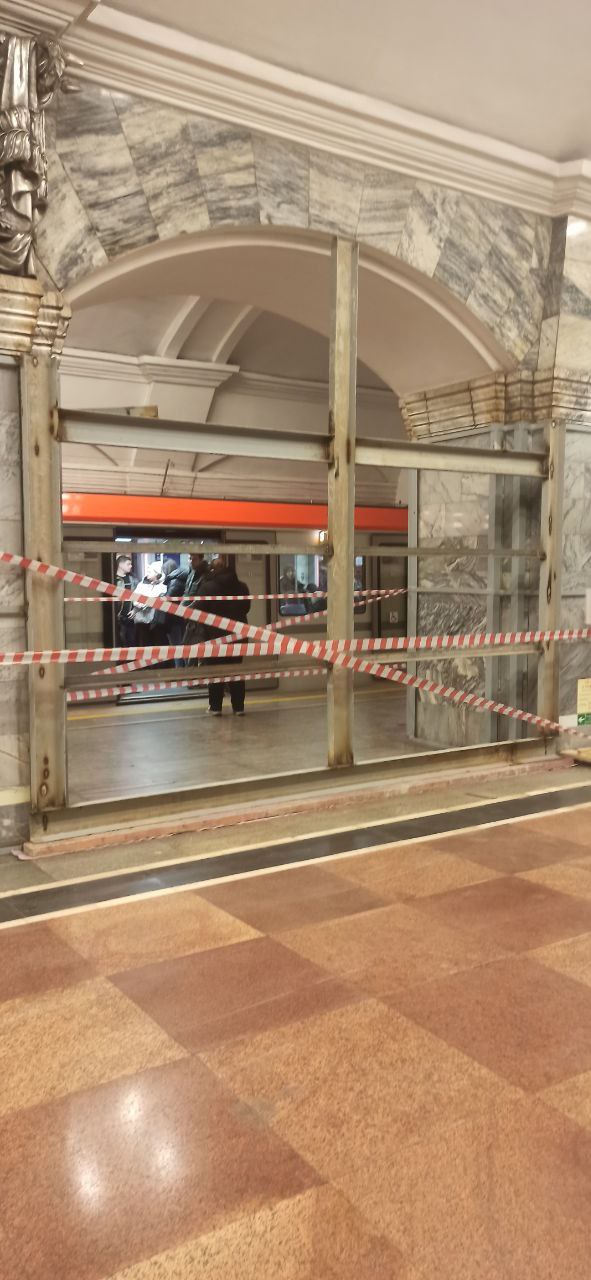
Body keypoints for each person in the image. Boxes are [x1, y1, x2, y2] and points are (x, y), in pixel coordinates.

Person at [195, 556, 251, 715]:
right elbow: (246, 608)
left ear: (213, 570)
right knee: (236, 672)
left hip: (214, 636)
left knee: (215, 672)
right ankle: (238, 707)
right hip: (238, 636)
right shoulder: (242, 587)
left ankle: (215, 707)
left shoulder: (207, 587)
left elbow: (199, 611)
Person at [130, 562, 168, 654]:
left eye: (150, 571)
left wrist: (146, 601)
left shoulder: (163, 586)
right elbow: (135, 598)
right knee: (144, 645)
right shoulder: (141, 584)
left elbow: (157, 598)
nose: (147, 573)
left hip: (155, 621)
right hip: (142, 620)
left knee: (156, 646)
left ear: (157, 573)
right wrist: (144, 603)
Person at [182, 552, 210, 655]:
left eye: (194, 559)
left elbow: (201, 597)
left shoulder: (206, 575)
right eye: (190, 559)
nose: (191, 562)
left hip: (199, 618)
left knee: (196, 648)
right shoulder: (191, 573)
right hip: (189, 616)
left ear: (201, 559)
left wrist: (188, 609)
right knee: (189, 648)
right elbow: (187, 592)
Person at [163, 557, 189, 666]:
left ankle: (179, 671)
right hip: (180, 618)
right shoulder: (181, 579)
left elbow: (168, 602)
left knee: (176, 647)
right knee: (181, 646)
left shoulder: (174, 582)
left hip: (173, 620)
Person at [115, 554, 137, 648]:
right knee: (120, 643)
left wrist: (135, 609)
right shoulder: (114, 579)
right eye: (128, 564)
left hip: (130, 617)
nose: (131, 566)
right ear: (120, 565)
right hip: (118, 618)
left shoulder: (133, 579)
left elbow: (139, 596)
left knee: (131, 643)